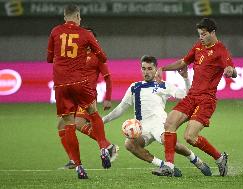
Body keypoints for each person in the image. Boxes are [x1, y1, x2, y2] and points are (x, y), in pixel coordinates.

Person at [152, 18, 237, 177]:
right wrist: (163, 68)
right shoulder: (198, 46)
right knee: (169, 122)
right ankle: (169, 166)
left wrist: (230, 70)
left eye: (204, 34)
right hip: (191, 96)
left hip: (206, 100)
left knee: (190, 137)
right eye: (199, 34)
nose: (201, 37)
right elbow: (183, 62)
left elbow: (231, 68)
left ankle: (219, 158)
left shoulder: (220, 50)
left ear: (212, 32)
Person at [103, 55, 212, 177]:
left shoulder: (163, 85)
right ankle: (163, 165)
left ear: (156, 69)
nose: (146, 72)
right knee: (129, 144)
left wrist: (186, 78)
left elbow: (187, 95)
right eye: (144, 68)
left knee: (171, 144)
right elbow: (121, 109)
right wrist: (102, 121)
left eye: (150, 68)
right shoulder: (134, 87)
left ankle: (196, 160)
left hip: (159, 124)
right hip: (141, 128)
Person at [47, 4, 112, 179]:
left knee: (68, 124)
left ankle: (78, 166)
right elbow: (103, 57)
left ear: (64, 16)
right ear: (77, 16)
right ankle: (103, 148)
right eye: (80, 17)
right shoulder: (85, 34)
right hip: (80, 82)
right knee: (93, 112)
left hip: (60, 84)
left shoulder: (55, 31)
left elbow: (48, 58)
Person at [58, 28, 118, 170]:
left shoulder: (97, 56)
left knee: (78, 123)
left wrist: (108, 98)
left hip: (87, 94)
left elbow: (108, 78)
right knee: (61, 125)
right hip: (72, 94)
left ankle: (108, 146)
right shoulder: (76, 55)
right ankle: (73, 160)